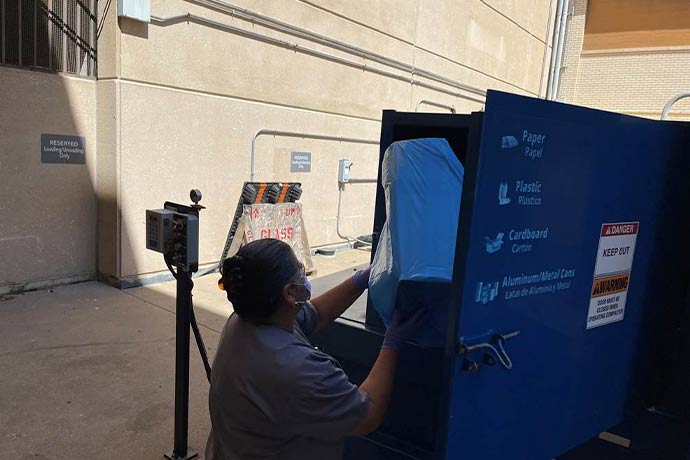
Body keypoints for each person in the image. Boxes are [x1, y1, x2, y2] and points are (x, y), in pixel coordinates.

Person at [206, 238, 429, 460]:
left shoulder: (245, 319)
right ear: (289, 294)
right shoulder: (297, 368)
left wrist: (361, 280)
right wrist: (392, 344)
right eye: (299, 272)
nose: (304, 276)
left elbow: (316, 315)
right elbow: (368, 413)